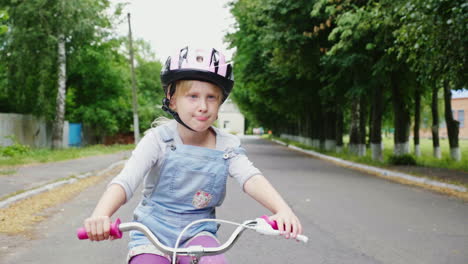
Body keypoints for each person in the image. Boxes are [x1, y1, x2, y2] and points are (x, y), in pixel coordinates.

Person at [83, 47, 303, 264]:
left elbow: (251, 178)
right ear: (172, 100)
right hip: (152, 233)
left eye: (211, 97)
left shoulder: (226, 145)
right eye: (193, 96)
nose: (203, 106)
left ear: (220, 104)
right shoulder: (158, 140)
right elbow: (125, 181)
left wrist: (282, 210)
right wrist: (101, 215)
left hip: (198, 234)